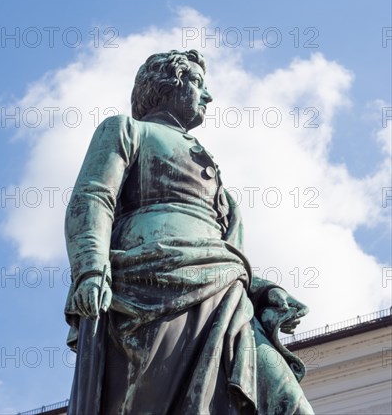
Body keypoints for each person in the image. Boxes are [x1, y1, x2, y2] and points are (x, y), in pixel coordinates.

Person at [64, 50, 314, 415]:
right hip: (150, 284)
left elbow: (233, 254)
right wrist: (89, 269)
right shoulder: (127, 130)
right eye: (198, 83)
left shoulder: (219, 183)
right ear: (167, 86)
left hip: (227, 294)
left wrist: (266, 291)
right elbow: (92, 197)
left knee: (288, 404)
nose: (208, 96)